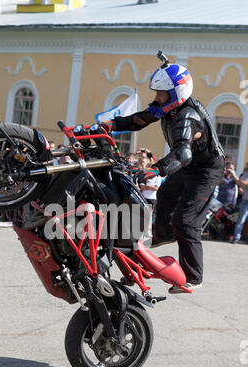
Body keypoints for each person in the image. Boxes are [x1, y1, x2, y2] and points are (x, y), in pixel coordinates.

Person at [104, 52, 225, 293]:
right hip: (189, 167)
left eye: (161, 94)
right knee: (167, 194)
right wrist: (112, 125)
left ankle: (194, 277)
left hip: (206, 170)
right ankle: (164, 234)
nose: (157, 98)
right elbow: (140, 120)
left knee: (186, 220)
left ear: (177, 93)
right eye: (157, 93)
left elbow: (183, 155)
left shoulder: (187, 116)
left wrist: (155, 170)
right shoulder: (168, 108)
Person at [228, 164, 248, 244]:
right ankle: (236, 238)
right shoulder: (246, 174)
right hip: (245, 200)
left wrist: (243, 183)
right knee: (241, 220)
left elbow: (241, 182)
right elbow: (239, 182)